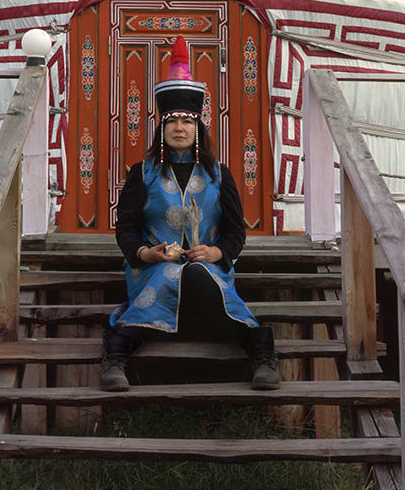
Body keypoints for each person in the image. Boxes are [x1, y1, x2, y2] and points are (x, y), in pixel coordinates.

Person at [100, 37, 279, 392]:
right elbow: (127, 228)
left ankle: (263, 358)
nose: (179, 128)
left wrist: (217, 253)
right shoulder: (143, 172)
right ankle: (115, 361)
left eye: (186, 121)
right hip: (152, 268)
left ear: (198, 127)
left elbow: (234, 232)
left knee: (196, 273)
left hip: (208, 269)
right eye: (171, 121)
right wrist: (144, 253)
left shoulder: (218, 174)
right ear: (161, 128)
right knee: (170, 274)